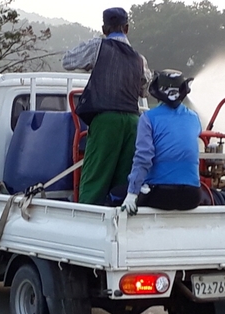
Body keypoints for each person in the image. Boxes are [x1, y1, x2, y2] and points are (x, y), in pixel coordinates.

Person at [62, 7, 152, 205]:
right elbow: (144, 90)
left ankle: (87, 220)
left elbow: (67, 61)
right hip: (132, 122)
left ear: (104, 29)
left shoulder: (98, 46)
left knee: (95, 176)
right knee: (123, 180)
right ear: (126, 28)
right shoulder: (139, 59)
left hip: (106, 120)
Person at [120, 69, 203, 215]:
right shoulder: (194, 118)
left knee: (115, 195)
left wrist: (132, 194)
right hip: (192, 197)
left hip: (161, 195)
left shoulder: (148, 118)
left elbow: (143, 157)